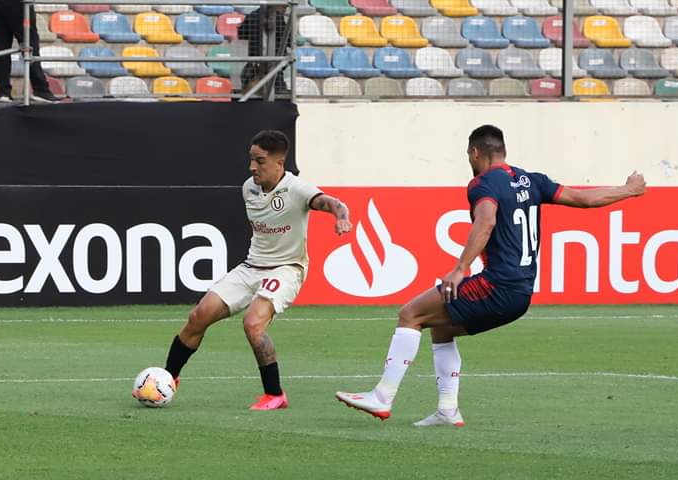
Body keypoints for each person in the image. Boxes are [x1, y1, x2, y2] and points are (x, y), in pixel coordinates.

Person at [335, 125, 647, 426]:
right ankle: (447, 410)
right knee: (440, 327)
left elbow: (485, 222)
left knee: (410, 314)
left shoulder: (482, 183)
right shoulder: (532, 180)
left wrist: (460, 269)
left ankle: (382, 396)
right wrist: (629, 190)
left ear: (475, 152)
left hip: (497, 285)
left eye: (468, 156)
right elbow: (584, 199)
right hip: (521, 294)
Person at [147, 130, 352, 411]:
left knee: (253, 323)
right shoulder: (249, 188)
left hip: (285, 269)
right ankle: (168, 379)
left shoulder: (297, 189)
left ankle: (275, 395)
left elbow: (333, 203)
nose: (252, 167)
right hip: (251, 267)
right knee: (198, 316)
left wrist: (341, 218)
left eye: (260, 161)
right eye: (251, 160)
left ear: (279, 164)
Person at [0, 0, 59, 103]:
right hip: (17, 4)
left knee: (2, 42)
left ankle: (3, 92)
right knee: (29, 42)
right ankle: (41, 90)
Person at [237, 5, 288, 94]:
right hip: (273, 62)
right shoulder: (278, 17)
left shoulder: (252, 15)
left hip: (255, 61)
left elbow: (242, 34)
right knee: (278, 92)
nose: (285, 10)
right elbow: (288, 39)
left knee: (251, 93)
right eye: (284, 7)